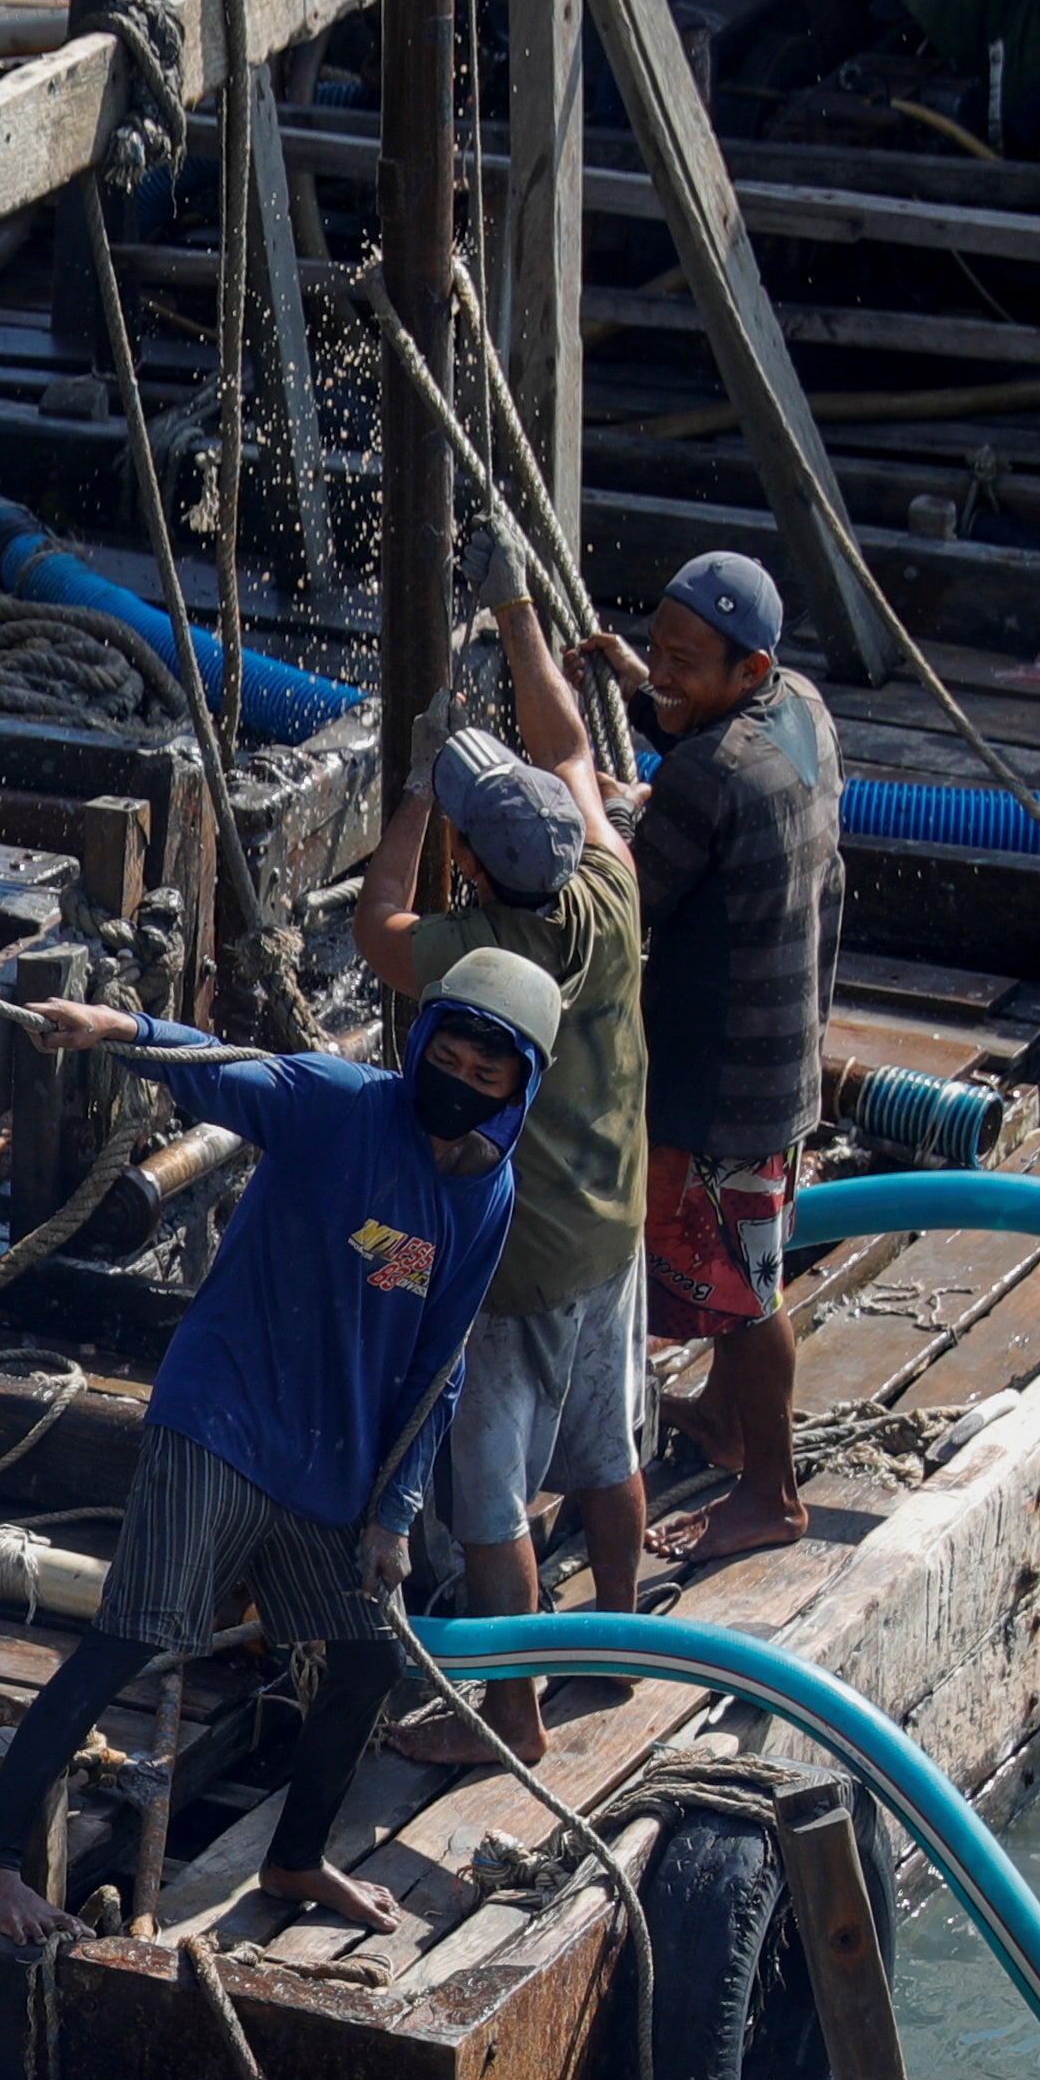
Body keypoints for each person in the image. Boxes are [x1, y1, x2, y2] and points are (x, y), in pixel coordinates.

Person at [0, 952, 562, 1948]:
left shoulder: (491, 1193)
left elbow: (441, 1366)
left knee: (361, 1662)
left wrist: (394, 1512)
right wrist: (113, 1029)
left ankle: (299, 1854)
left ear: (520, 1090)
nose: (463, 1084)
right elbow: (224, 1068)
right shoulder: (342, 1103)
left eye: (490, 1078)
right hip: (221, 1414)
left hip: (331, 1458)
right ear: (420, 1040)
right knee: (129, 1637)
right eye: (450, 1057)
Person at [361, 583, 651, 1773]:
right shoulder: (614, 886)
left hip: (515, 1259)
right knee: (606, 1447)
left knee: (491, 1497)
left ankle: (512, 1715)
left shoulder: (474, 955)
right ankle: (622, 1636)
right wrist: (519, 617)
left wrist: (422, 789)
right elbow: (572, 745)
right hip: (613, 1230)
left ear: (472, 860)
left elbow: (381, 916)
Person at [576, 549, 844, 1567]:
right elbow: (706, 757)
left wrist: (587, 808)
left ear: (750, 666)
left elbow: (622, 905)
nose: (665, 674)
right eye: (658, 651)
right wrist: (643, 685)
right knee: (749, 1264)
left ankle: (769, 1491)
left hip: (723, 1077)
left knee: (744, 1297)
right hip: (787, 1052)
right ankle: (730, 1423)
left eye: (688, 661)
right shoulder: (803, 710)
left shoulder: (708, 774)